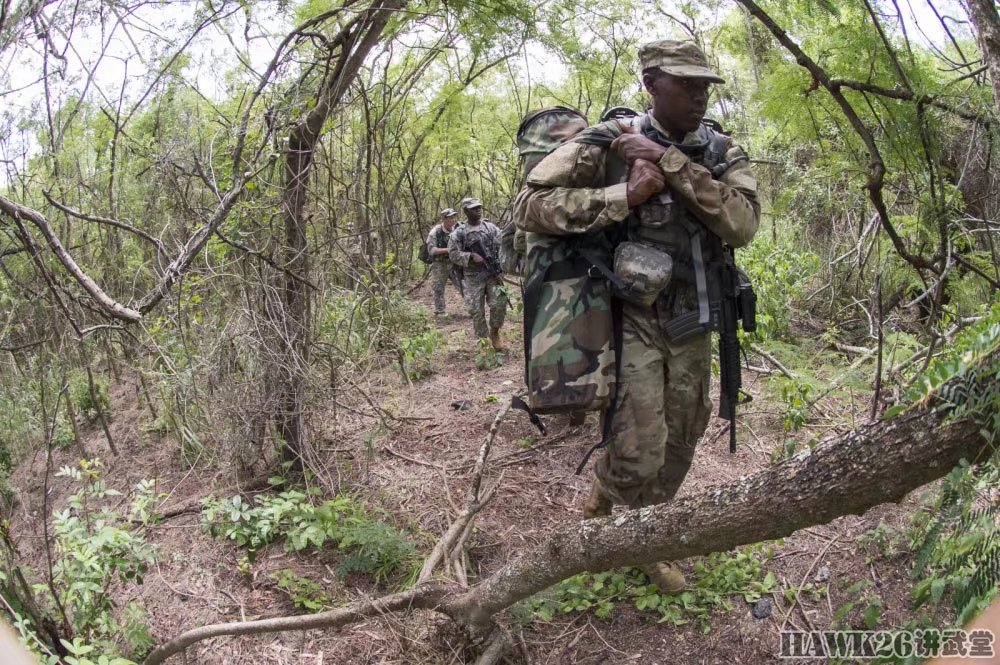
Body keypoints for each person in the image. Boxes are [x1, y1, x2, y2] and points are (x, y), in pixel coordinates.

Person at [513, 40, 760, 593]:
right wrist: (622, 194)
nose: (698, 95)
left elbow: (742, 224)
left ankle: (635, 527)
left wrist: (669, 164)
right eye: (685, 83)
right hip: (632, 319)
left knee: (682, 441)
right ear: (651, 83)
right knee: (638, 447)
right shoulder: (605, 143)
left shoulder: (721, 150)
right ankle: (616, 529)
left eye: (704, 85)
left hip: (697, 317)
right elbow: (529, 207)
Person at [448, 198, 508, 350]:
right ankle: (483, 341)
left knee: (499, 304)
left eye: (480, 207)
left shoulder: (491, 228)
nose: (478, 210)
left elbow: (502, 246)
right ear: (466, 211)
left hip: (492, 273)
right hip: (473, 276)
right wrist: (470, 256)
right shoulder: (459, 233)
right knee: (476, 310)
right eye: (474, 208)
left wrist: (501, 267)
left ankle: (494, 332)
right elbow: (453, 254)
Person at [426, 208, 460, 317]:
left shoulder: (458, 229)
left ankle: (472, 308)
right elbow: (432, 250)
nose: (453, 220)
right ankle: (440, 311)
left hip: (455, 263)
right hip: (439, 264)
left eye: (454, 217)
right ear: (444, 219)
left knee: (463, 285)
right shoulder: (435, 232)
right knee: (438, 288)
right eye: (451, 218)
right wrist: (449, 250)